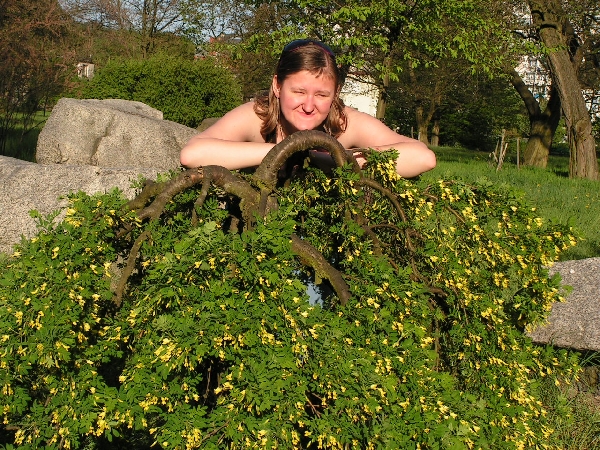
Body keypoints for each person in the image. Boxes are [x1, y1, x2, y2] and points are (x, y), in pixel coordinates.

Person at [180, 39, 436, 178]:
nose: (309, 106)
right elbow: (193, 154)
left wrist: (336, 157)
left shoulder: (344, 122)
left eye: (322, 95)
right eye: (299, 92)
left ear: (336, 93)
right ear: (277, 86)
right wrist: (283, 151)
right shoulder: (258, 115)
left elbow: (422, 157)